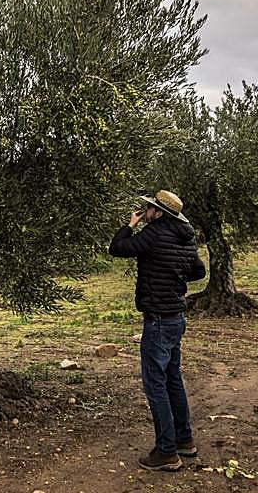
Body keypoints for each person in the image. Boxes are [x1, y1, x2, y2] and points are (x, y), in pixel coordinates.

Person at [109, 189, 206, 471]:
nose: (145, 211)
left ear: (159, 213)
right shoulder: (186, 236)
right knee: (173, 379)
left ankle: (166, 451)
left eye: (148, 208)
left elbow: (117, 248)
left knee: (156, 385)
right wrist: (174, 272)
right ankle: (184, 440)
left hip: (158, 320)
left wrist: (130, 225)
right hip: (177, 317)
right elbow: (198, 272)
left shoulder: (154, 232)